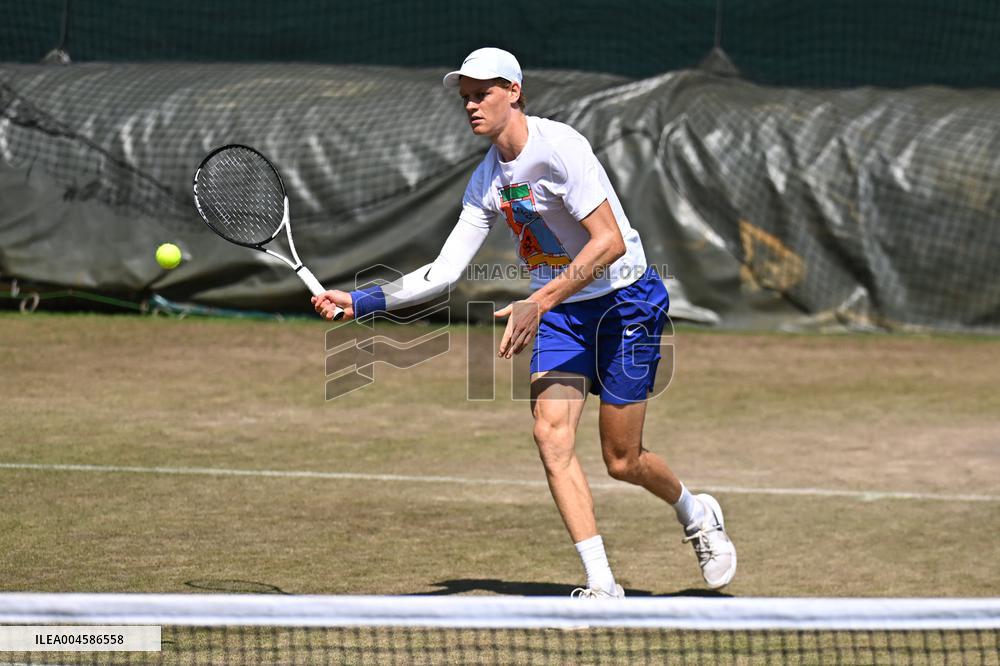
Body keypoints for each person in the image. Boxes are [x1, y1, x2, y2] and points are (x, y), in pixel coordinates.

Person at [313, 47, 736, 597]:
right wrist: (363, 302)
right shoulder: (486, 180)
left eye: (482, 93)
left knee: (622, 459)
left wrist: (542, 300)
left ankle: (695, 511)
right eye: (465, 96)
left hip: (626, 301)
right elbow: (442, 273)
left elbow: (607, 244)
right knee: (550, 435)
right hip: (561, 312)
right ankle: (602, 585)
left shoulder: (561, 148)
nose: (471, 105)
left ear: (514, 92)